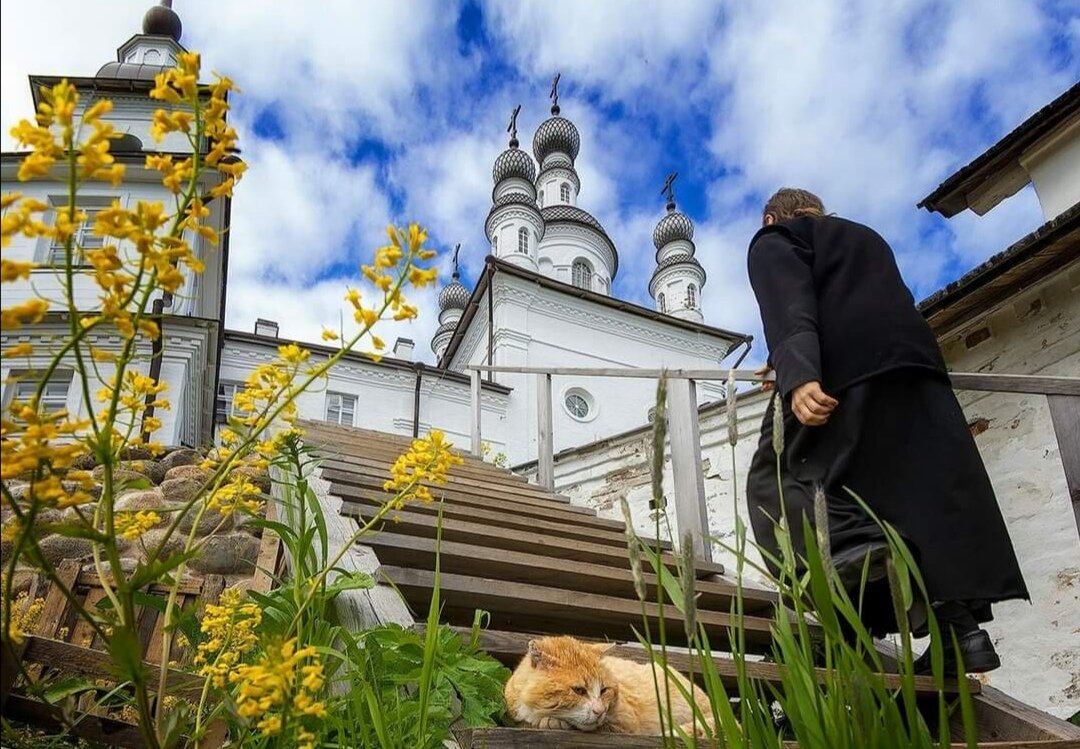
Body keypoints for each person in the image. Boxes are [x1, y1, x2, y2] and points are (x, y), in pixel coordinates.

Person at [744, 188, 1028, 675]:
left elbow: (788, 302)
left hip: (843, 373)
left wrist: (799, 374)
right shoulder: (864, 238)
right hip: (915, 369)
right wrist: (783, 362)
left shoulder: (774, 240)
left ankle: (855, 560)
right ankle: (961, 634)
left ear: (773, 217)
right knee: (911, 495)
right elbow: (853, 304)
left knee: (778, 477)